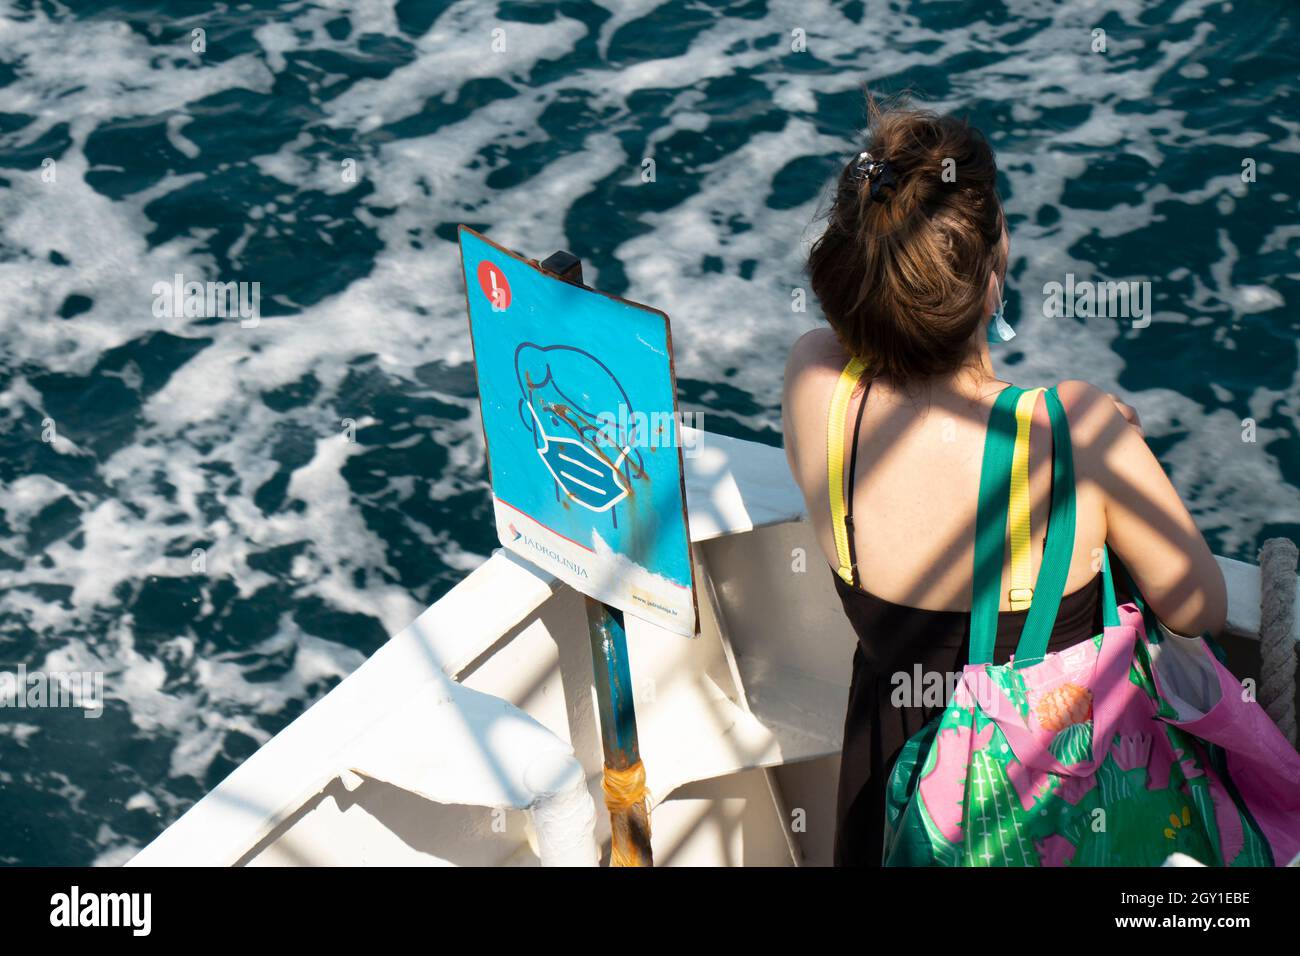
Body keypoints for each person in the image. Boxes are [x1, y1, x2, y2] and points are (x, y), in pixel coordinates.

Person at [780, 98, 1228, 867]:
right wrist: (1090, 437)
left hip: (894, 791)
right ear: (995, 271)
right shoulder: (1075, 432)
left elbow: (848, 340)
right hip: (1051, 808)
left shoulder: (817, 389)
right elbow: (1200, 605)